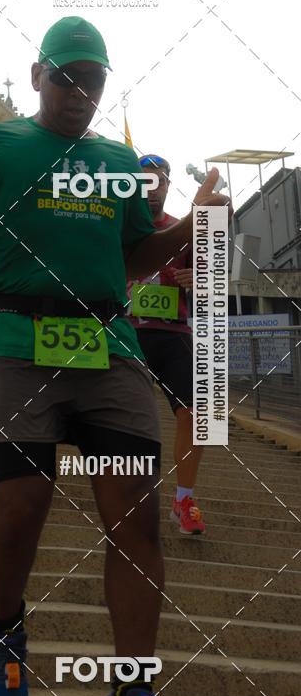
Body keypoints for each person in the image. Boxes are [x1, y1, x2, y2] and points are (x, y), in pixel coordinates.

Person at [0, 16, 231, 696]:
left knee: (137, 519)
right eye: (66, 76)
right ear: (37, 76)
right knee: (22, 506)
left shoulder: (117, 160)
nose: (80, 92)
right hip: (16, 343)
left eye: (93, 80)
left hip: (107, 344)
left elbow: (132, 259)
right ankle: (3, 632)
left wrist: (194, 226)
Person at [129, 154, 206, 537]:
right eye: (142, 182)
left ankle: (184, 501)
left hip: (173, 335)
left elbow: (213, 285)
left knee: (197, 416)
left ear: (167, 186)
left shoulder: (183, 229)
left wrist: (199, 278)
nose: (151, 190)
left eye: (157, 182)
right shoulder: (118, 230)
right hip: (125, 335)